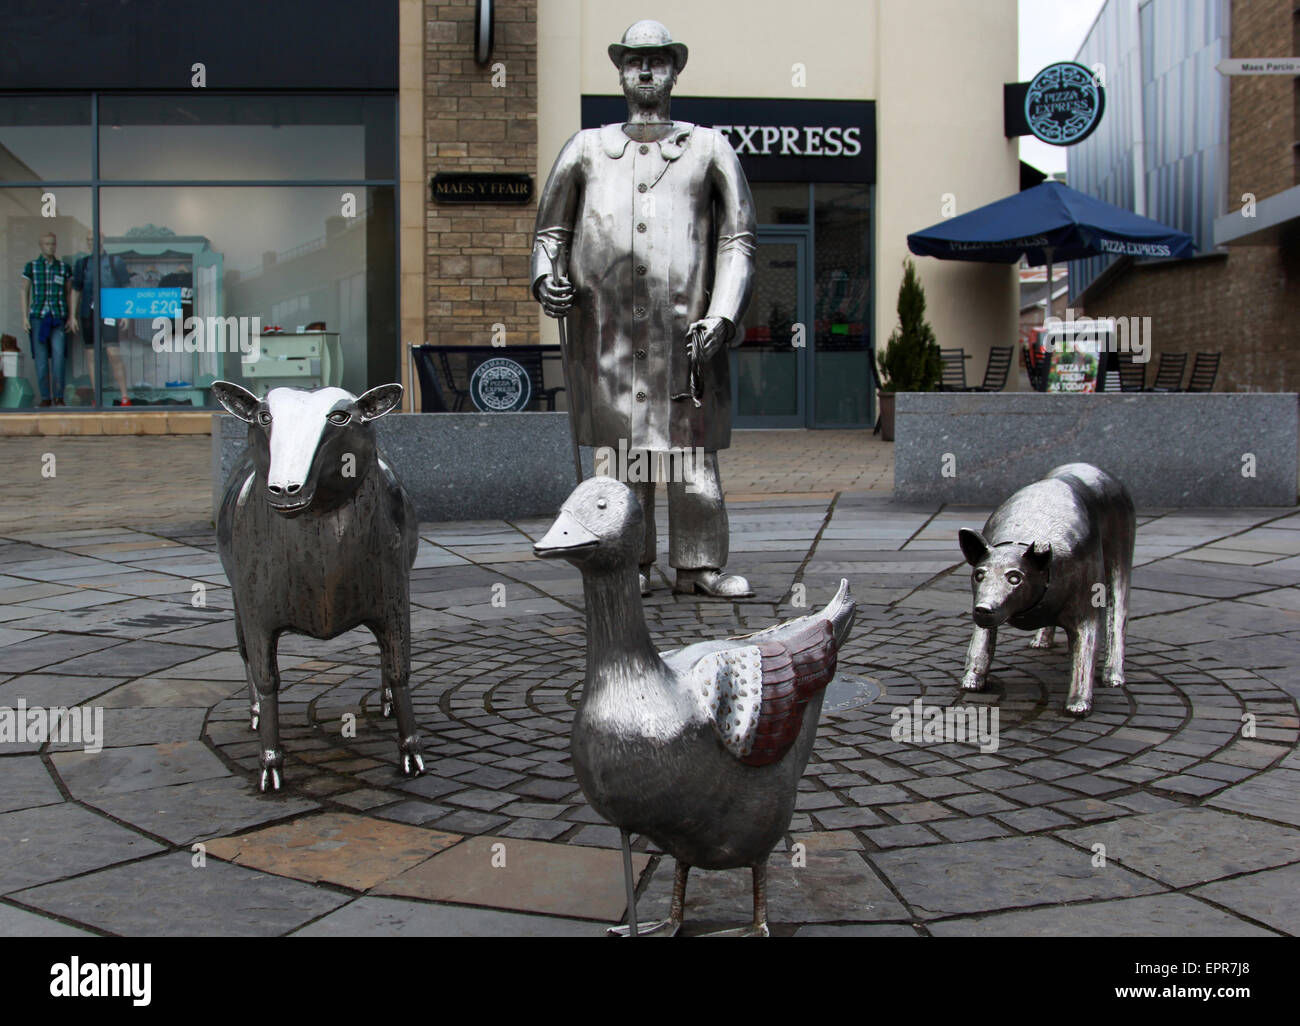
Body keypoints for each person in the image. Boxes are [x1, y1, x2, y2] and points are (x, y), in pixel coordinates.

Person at [532, 19, 757, 598]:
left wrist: (724, 314)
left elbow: (738, 240)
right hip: (607, 336)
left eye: (657, 60)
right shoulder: (586, 149)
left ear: (676, 69)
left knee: (690, 456)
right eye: (635, 61)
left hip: (687, 331)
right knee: (623, 456)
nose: (647, 70)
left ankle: (698, 564)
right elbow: (550, 233)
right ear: (621, 70)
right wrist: (545, 277)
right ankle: (628, 561)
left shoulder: (709, 149)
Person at [71, 232, 133, 405]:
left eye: (95, 239)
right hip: (88, 312)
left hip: (110, 310)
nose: (92, 243)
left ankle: (124, 396)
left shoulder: (115, 262)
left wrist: (126, 314)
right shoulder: (82, 264)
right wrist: (72, 316)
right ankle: (97, 396)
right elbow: (76, 290)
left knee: (113, 352)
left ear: (102, 240)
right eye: (89, 240)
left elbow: (126, 287)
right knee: (91, 354)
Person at [21, 232, 76, 407]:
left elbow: (68, 293)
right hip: (38, 317)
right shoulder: (32, 266)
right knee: (41, 359)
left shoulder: (63, 268)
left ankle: (59, 397)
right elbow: (24, 291)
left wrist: (70, 316)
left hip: (58, 316)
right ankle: (45, 397)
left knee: (59, 357)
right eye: (46, 244)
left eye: (53, 243)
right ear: (40, 245)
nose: (50, 247)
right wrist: (24, 317)